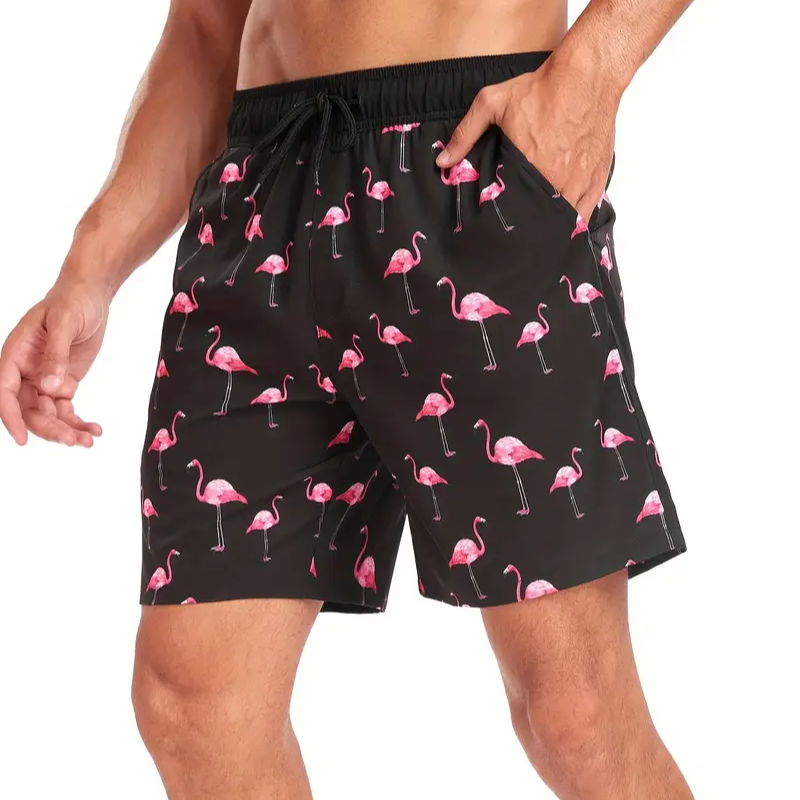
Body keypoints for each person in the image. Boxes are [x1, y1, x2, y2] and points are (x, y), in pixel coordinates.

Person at [0, 0, 696, 797]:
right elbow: (204, 30)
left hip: (464, 169)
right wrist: (87, 271)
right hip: (260, 196)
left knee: (574, 713)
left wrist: (593, 71)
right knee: (196, 705)